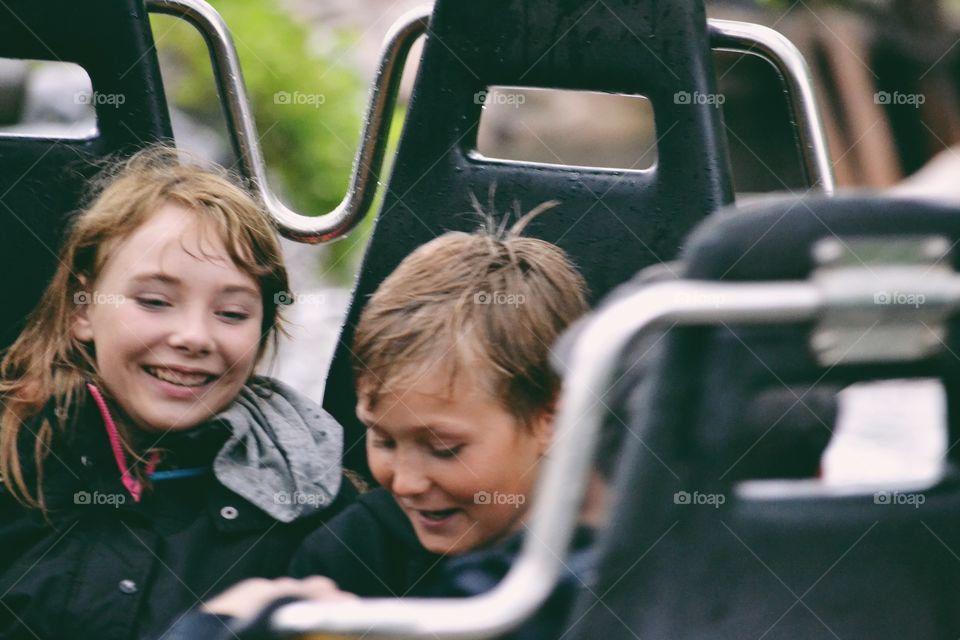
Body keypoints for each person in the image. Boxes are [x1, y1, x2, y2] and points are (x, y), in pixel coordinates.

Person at [163, 204, 597, 638]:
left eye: (444, 449)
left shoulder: (615, 566)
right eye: (383, 440)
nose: (406, 483)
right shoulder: (350, 554)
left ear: (551, 419)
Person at [0, 147, 352, 640]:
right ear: (82, 310)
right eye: (154, 301)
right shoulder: (13, 458)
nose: (194, 337)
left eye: (231, 314)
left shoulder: (308, 502)